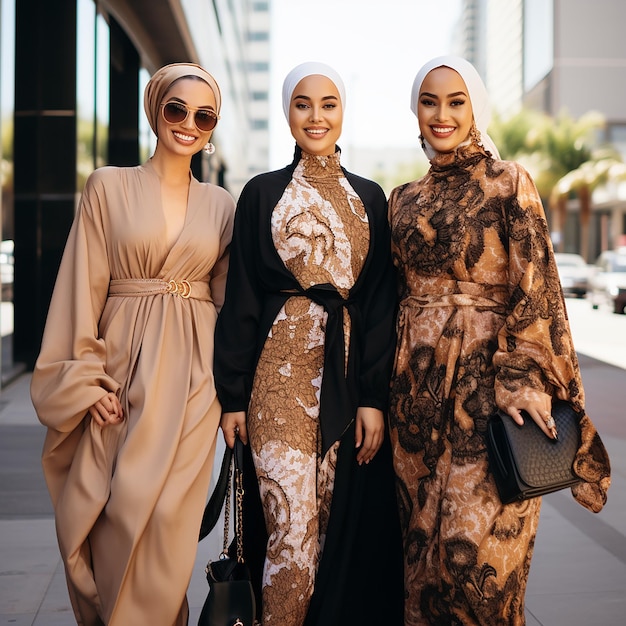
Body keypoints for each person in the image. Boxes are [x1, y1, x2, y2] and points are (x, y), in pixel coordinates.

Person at [387, 55, 611, 626]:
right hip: (414, 399)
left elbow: (535, 283)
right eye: (429, 101)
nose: (442, 114)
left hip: (489, 394)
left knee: (477, 566)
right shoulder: (402, 199)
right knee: (421, 560)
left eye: (456, 101)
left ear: (475, 108)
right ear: (415, 109)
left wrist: (526, 376)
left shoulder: (509, 181)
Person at [30, 63, 235, 626]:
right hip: (120, 372)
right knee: (116, 515)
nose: (188, 123)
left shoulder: (221, 205)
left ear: (212, 126)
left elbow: (228, 302)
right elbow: (81, 288)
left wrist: (231, 392)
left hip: (194, 380)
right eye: (177, 109)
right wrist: (85, 379)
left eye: (203, 115)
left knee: (169, 522)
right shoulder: (108, 186)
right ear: (155, 111)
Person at [214, 61, 404, 626]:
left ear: (342, 112)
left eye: (327, 104)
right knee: (289, 534)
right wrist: (232, 396)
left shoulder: (371, 198)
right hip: (277, 386)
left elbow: (378, 307)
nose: (315, 116)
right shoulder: (261, 193)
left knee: (330, 536)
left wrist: (373, 397)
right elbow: (242, 298)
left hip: (346, 387)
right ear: (287, 112)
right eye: (303, 103)